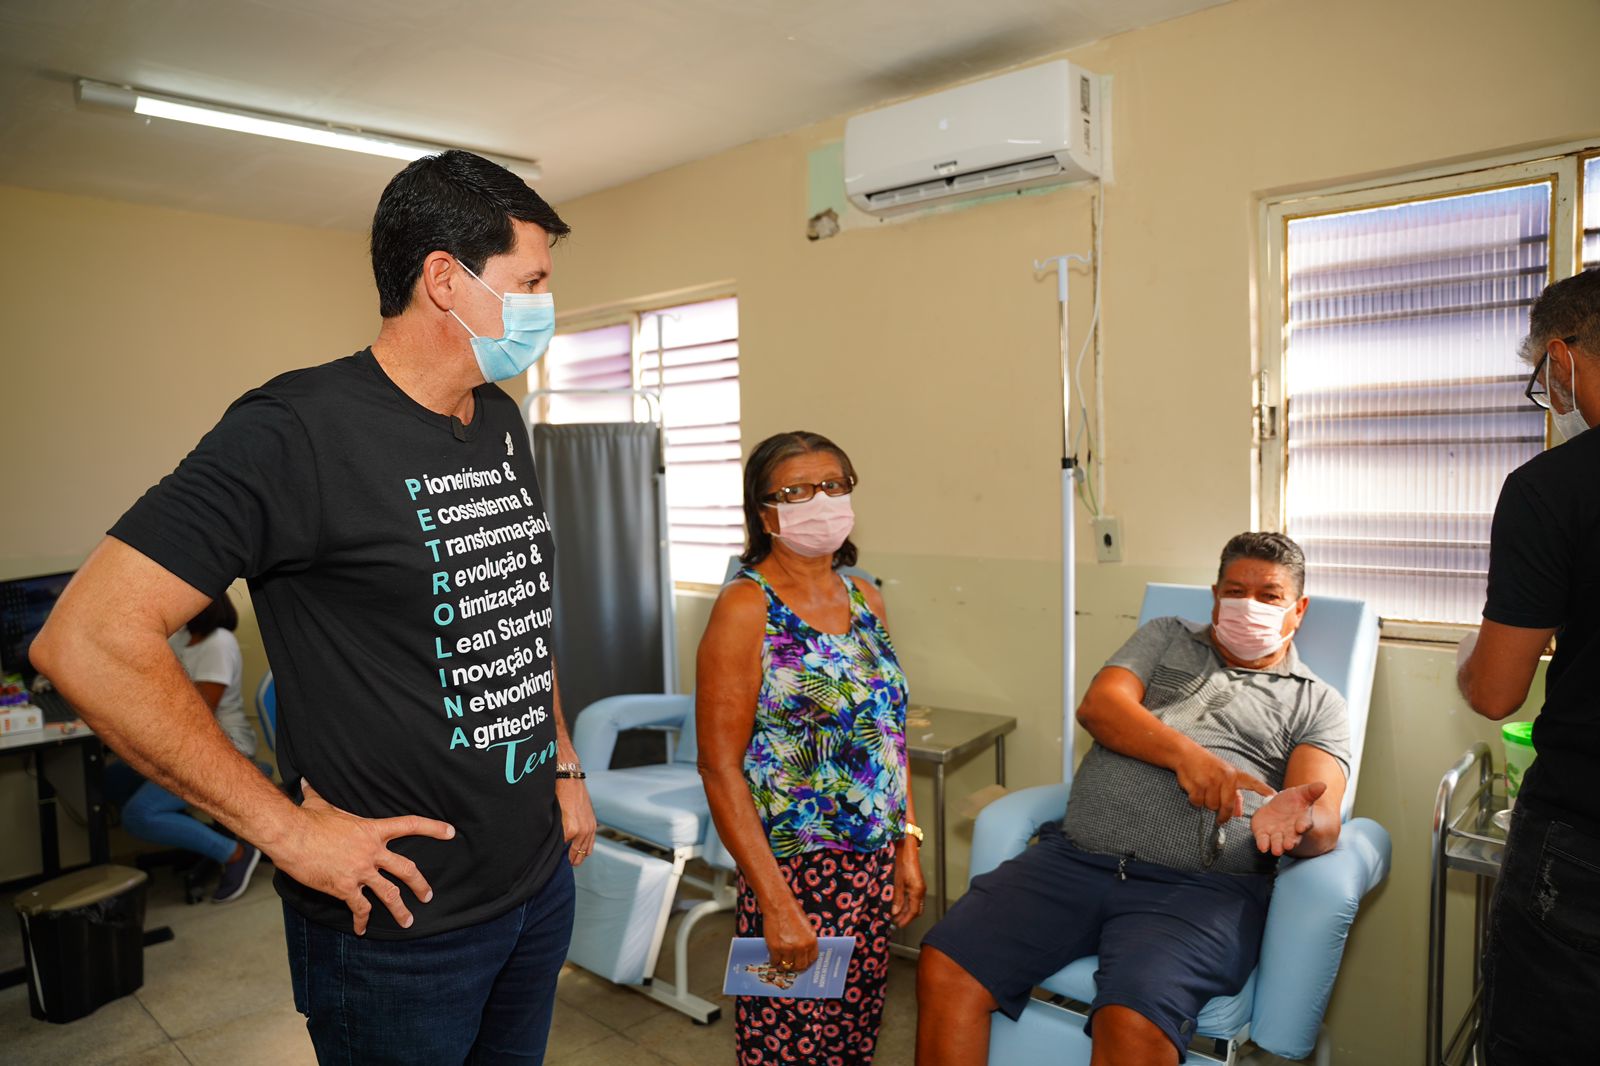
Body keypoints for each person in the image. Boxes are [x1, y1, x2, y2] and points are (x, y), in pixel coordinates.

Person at [30, 150, 596, 1065]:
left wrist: (563, 764)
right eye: (530, 281)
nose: (544, 304)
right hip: (401, 927)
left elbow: (514, 612)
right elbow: (88, 638)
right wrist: (285, 831)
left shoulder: (497, 416)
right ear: (445, 281)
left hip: (534, 886)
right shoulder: (295, 430)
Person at [916, 532, 1350, 1066]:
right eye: (1236, 591)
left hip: (1200, 892)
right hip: (1072, 860)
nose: (1250, 606)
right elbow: (1101, 706)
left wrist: (1299, 822)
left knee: (1132, 1020)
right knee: (945, 962)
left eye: (1270, 595)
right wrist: (1189, 758)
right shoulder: (1166, 635)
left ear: (1298, 609)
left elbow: (1323, 815)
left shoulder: (1316, 701)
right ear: (1214, 595)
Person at [697, 431, 926, 1066]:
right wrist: (774, 902)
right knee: (786, 1047)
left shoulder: (865, 598)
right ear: (764, 511)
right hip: (795, 873)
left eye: (833, 485)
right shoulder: (746, 608)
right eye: (796, 490)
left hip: (871, 869)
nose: (819, 501)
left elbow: (888, 737)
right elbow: (719, 767)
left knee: (852, 1040)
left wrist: (906, 842)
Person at [1456, 269, 1600, 1064]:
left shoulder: (1555, 490)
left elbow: (1496, 689)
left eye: (1544, 380)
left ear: (1564, 357)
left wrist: (1468, 664)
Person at [103, 595, 262, 902]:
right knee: (109, 781)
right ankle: (206, 839)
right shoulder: (182, 639)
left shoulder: (218, 643)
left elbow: (198, 714)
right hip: (181, 749)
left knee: (139, 815)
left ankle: (235, 853)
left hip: (223, 751)